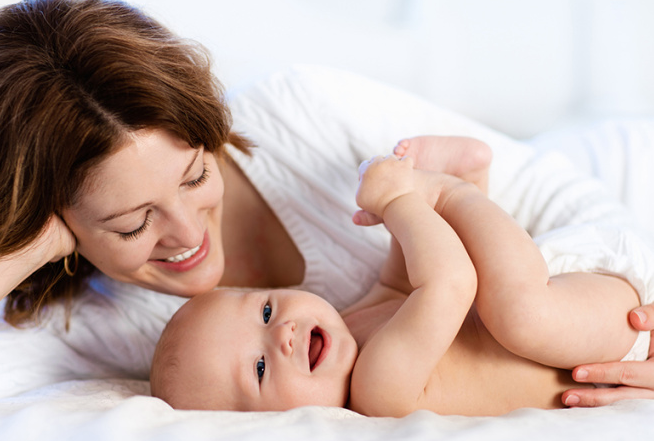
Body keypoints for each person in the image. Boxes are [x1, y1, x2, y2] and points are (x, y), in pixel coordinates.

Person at [0, 0, 653, 406]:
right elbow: (425, 283)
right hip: (482, 251)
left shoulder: (298, 111)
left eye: (196, 175)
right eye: (132, 222)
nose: (184, 232)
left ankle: (454, 182)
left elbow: (554, 200)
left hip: (598, 203)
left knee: (521, 312)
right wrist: (37, 241)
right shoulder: (91, 322)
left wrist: (417, 198)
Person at [150, 144, 649, 416]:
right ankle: (454, 190)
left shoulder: (349, 322)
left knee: (521, 313)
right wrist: (400, 204)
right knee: (518, 314)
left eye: (264, 312)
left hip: (589, 294)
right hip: (606, 343)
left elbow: (400, 280)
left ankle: (462, 186)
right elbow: (448, 285)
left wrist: (400, 225)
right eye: (258, 369)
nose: (281, 334)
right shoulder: (376, 390)